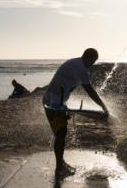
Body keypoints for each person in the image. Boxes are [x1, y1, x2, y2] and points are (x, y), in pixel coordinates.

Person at [43, 48, 109, 176]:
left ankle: (60, 164)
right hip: (52, 103)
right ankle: (59, 168)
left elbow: (68, 87)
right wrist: (103, 106)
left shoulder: (75, 63)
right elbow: (90, 90)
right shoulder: (81, 68)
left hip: (55, 102)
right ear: (88, 57)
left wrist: (65, 107)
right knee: (61, 133)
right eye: (93, 61)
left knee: (60, 133)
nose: (93, 64)